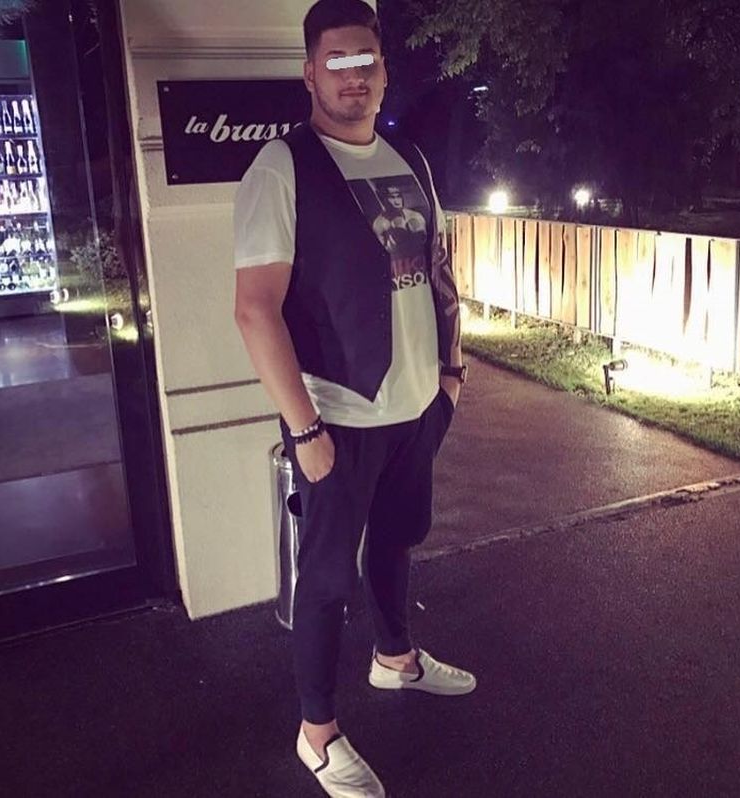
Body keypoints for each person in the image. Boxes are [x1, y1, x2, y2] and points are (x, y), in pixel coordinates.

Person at [234, 1, 473, 795]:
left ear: (383, 68)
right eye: (335, 61)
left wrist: (450, 373)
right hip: (336, 416)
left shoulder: (409, 159)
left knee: (399, 539)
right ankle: (317, 733)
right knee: (327, 578)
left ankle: (395, 659)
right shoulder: (282, 168)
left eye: (364, 58)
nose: (352, 75)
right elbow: (254, 310)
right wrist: (304, 429)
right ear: (310, 73)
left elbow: (439, 271)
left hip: (415, 407)